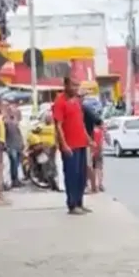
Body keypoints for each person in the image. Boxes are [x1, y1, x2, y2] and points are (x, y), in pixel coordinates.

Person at [53, 77, 93, 214]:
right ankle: (72, 204)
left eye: (78, 85)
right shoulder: (59, 102)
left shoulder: (76, 102)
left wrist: (88, 139)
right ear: (65, 85)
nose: (76, 88)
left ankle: (79, 202)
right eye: (73, 85)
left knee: (82, 175)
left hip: (81, 143)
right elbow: (58, 126)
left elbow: (80, 123)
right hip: (70, 146)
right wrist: (64, 145)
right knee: (71, 175)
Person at [4, 103, 24, 188]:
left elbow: (19, 134)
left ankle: (16, 179)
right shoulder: (6, 122)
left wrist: (22, 143)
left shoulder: (17, 122)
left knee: (17, 163)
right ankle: (14, 180)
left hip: (17, 145)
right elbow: (5, 134)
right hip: (11, 146)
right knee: (14, 163)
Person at [92, 122, 106, 192]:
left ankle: (94, 184)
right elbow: (100, 142)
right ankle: (100, 184)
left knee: (93, 169)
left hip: (91, 152)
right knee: (99, 169)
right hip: (98, 152)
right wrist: (100, 150)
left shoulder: (90, 131)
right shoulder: (100, 132)